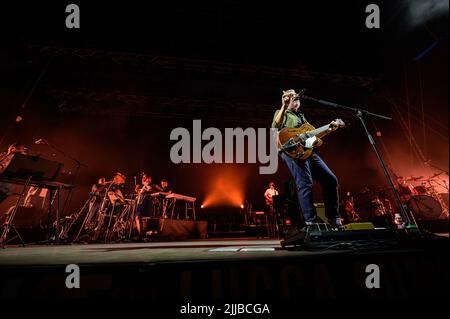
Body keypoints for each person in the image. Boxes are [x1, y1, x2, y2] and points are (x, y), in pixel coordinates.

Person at [272, 89, 342, 229]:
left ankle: (333, 218)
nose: (294, 98)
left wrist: (329, 129)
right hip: (291, 151)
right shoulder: (282, 112)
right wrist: (284, 105)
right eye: (290, 96)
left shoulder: (302, 117)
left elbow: (311, 136)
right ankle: (311, 220)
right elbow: (275, 125)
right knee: (305, 183)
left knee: (330, 180)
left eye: (295, 96)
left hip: (307, 151)